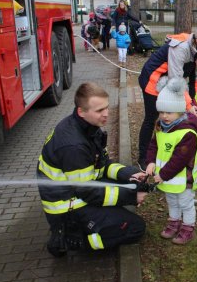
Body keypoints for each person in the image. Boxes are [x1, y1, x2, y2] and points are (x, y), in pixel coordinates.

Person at [37, 82, 147, 257]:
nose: (106, 114)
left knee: (129, 186)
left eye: (106, 107)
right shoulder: (74, 146)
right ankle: (71, 240)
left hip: (79, 190)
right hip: (67, 207)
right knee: (135, 228)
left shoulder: (87, 127)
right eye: (99, 111)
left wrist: (130, 175)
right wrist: (131, 196)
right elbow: (88, 192)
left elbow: (102, 166)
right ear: (81, 111)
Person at [137, 21, 197, 169]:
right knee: (152, 117)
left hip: (169, 80)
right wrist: (187, 105)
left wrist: (193, 101)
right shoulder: (180, 48)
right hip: (153, 79)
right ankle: (143, 158)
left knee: (174, 115)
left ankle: (166, 149)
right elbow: (176, 78)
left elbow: (196, 77)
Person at [144, 78, 197, 245]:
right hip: (167, 179)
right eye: (161, 112)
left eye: (169, 112)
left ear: (180, 110)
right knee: (172, 201)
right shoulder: (161, 126)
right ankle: (174, 222)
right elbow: (153, 144)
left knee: (185, 203)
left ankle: (188, 227)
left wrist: (163, 175)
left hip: (183, 179)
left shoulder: (187, 133)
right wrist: (151, 161)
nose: (164, 116)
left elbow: (180, 159)